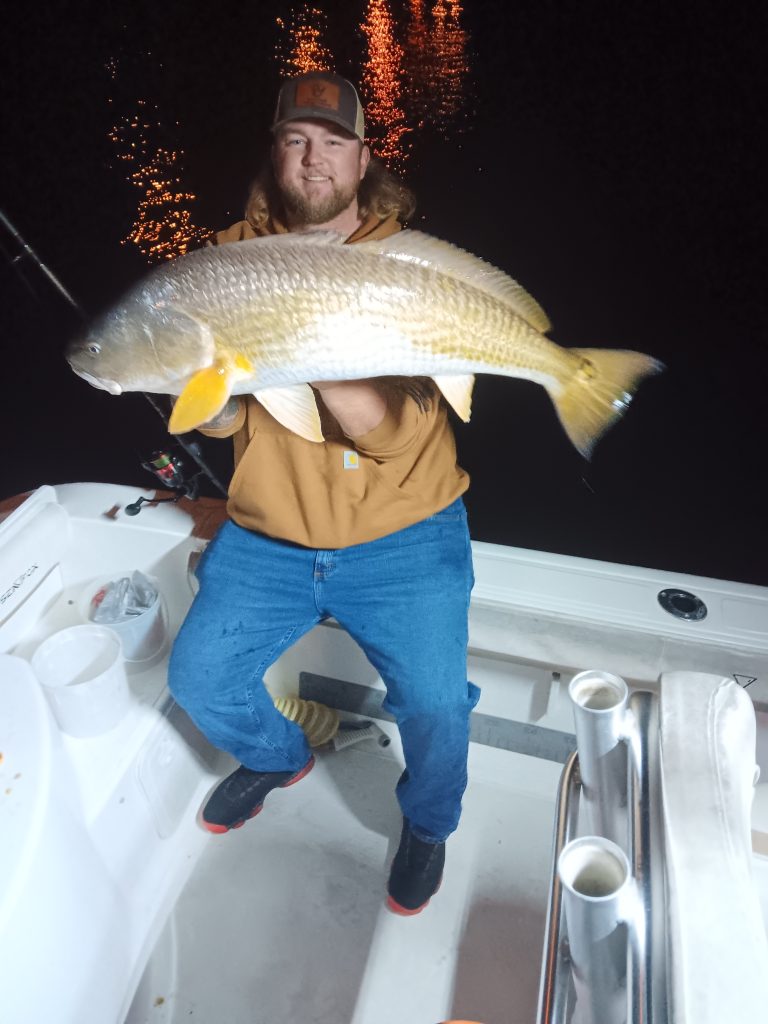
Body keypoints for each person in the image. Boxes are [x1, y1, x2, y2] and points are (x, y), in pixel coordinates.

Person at [168, 71, 478, 916]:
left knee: (439, 704)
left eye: (333, 142)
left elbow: (399, 435)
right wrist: (204, 380)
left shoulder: (403, 267)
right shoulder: (224, 262)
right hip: (271, 537)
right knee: (200, 677)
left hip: (403, 531)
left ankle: (429, 823)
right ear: (275, 151)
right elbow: (225, 426)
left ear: (362, 157)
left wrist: (315, 347)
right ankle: (277, 755)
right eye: (296, 140)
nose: (314, 159)